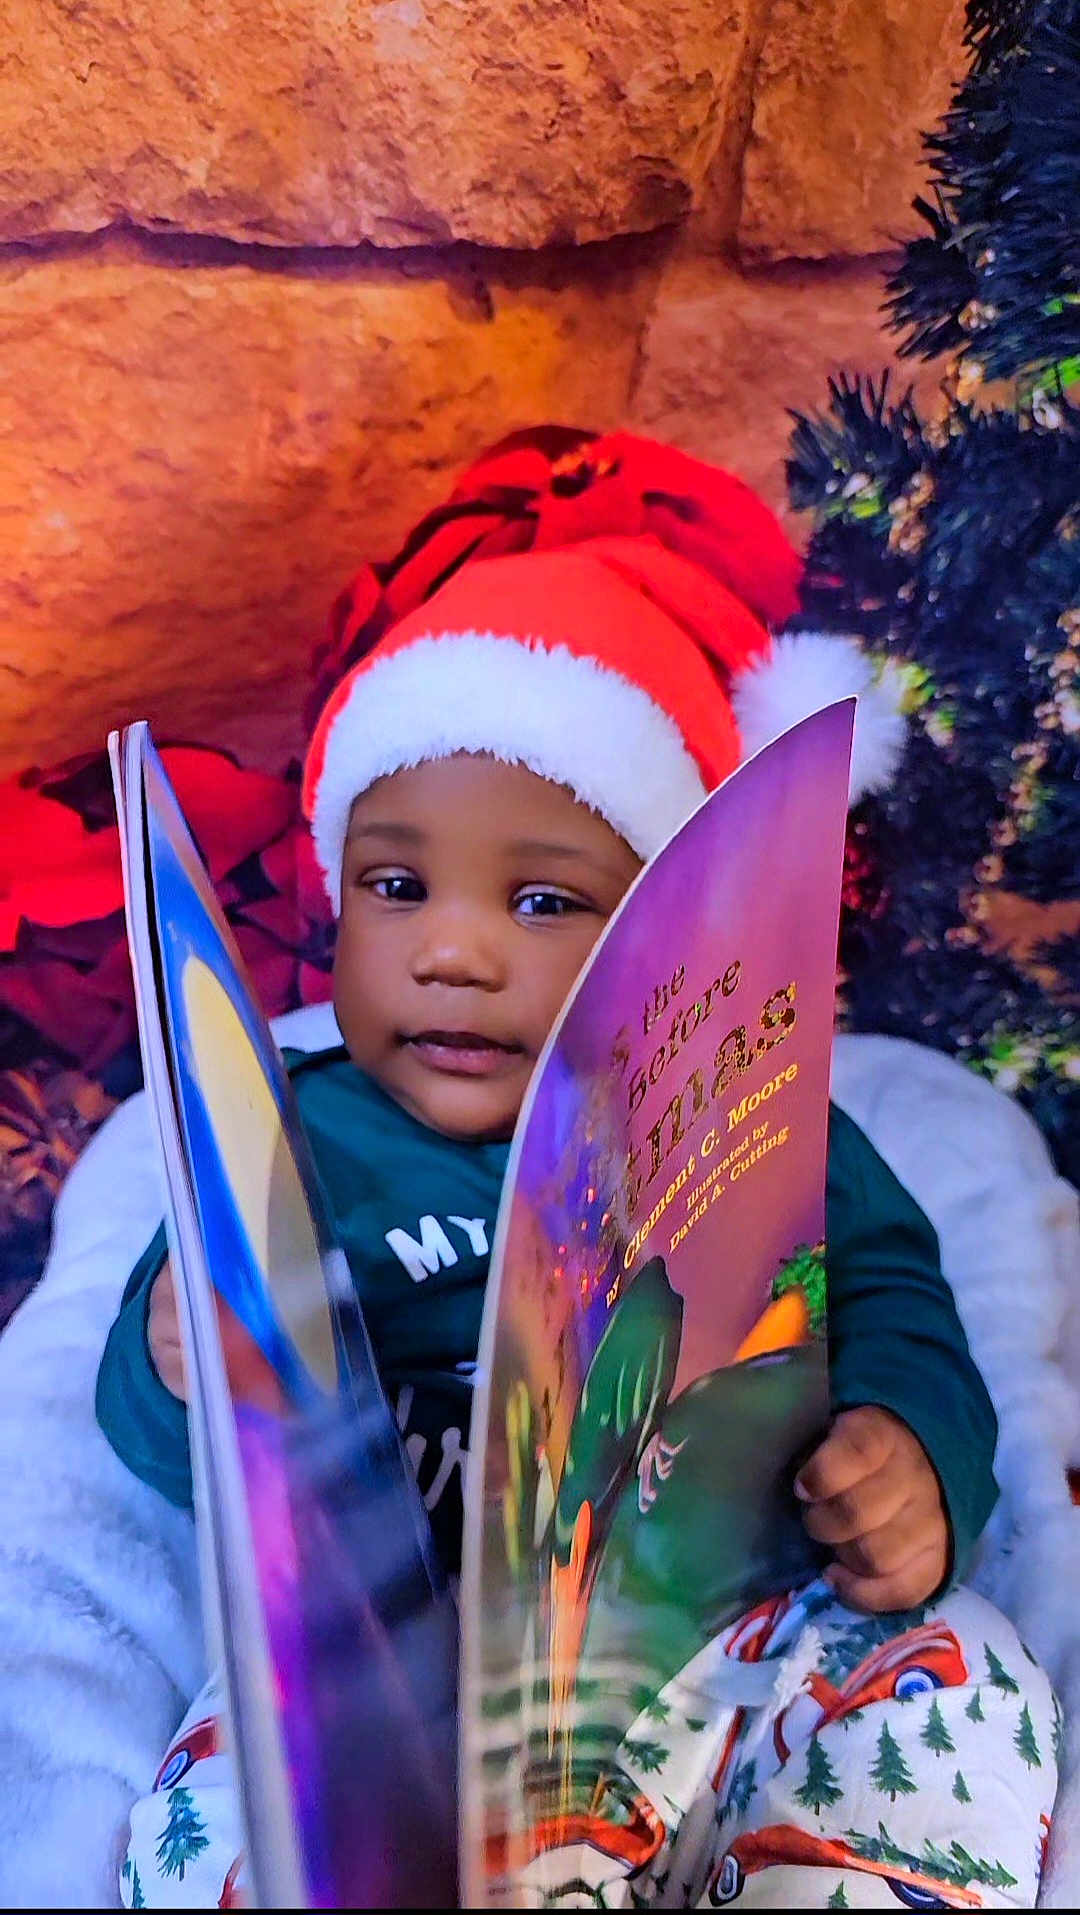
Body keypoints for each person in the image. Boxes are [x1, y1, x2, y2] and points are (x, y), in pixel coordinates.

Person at [96, 429, 1058, 1908]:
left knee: (965, 1684)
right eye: (395, 884)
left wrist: (917, 1457)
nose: (453, 949)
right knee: (220, 1816)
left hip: (735, 1628)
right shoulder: (295, 1128)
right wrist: (179, 1359)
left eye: (543, 899)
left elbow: (894, 1293)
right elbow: (166, 1459)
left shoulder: (759, 1113)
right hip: (403, 1679)